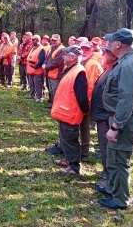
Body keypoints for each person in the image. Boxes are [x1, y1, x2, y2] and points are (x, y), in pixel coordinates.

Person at [96, 28, 133, 210]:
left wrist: (115, 126)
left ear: (118, 43)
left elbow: (127, 99)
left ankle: (120, 200)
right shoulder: (127, 61)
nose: (109, 44)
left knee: (119, 160)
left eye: (111, 41)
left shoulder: (129, 64)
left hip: (124, 122)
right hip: (120, 119)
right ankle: (114, 190)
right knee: (114, 157)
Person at [51, 45, 89, 175]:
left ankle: (74, 167)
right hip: (64, 111)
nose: (63, 57)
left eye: (65, 55)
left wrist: (84, 111)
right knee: (65, 138)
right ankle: (68, 159)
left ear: (72, 57)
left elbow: (82, 97)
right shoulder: (71, 69)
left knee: (70, 140)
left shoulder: (79, 72)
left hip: (70, 112)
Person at [91, 42, 118, 187]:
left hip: (106, 117)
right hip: (102, 115)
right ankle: (107, 172)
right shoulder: (110, 68)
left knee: (108, 149)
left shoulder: (115, 70)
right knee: (103, 147)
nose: (102, 55)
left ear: (113, 55)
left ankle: (109, 180)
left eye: (105, 52)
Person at [80, 39, 103, 161]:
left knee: (84, 127)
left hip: (87, 103)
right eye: (82, 49)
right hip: (82, 101)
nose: (84, 51)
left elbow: (90, 87)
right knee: (82, 127)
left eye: (87, 49)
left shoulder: (92, 64)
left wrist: (86, 105)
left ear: (92, 50)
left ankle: (84, 153)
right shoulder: (84, 62)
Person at [42, 34, 65, 109]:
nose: (53, 41)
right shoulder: (52, 47)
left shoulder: (62, 49)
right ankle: (52, 104)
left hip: (56, 74)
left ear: (59, 40)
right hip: (50, 73)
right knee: (51, 90)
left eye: (55, 40)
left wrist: (46, 66)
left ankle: (56, 106)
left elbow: (56, 62)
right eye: (52, 40)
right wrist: (45, 63)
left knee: (56, 91)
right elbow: (48, 58)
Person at [26, 35, 46, 102]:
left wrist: (35, 67)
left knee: (38, 84)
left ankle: (39, 97)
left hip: (37, 70)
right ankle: (32, 95)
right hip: (31, 70)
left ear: (37, 40)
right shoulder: (33, 48)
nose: (32, 41)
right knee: (31, 83)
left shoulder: (41, 49)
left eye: (33, 40)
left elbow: (41, 60)